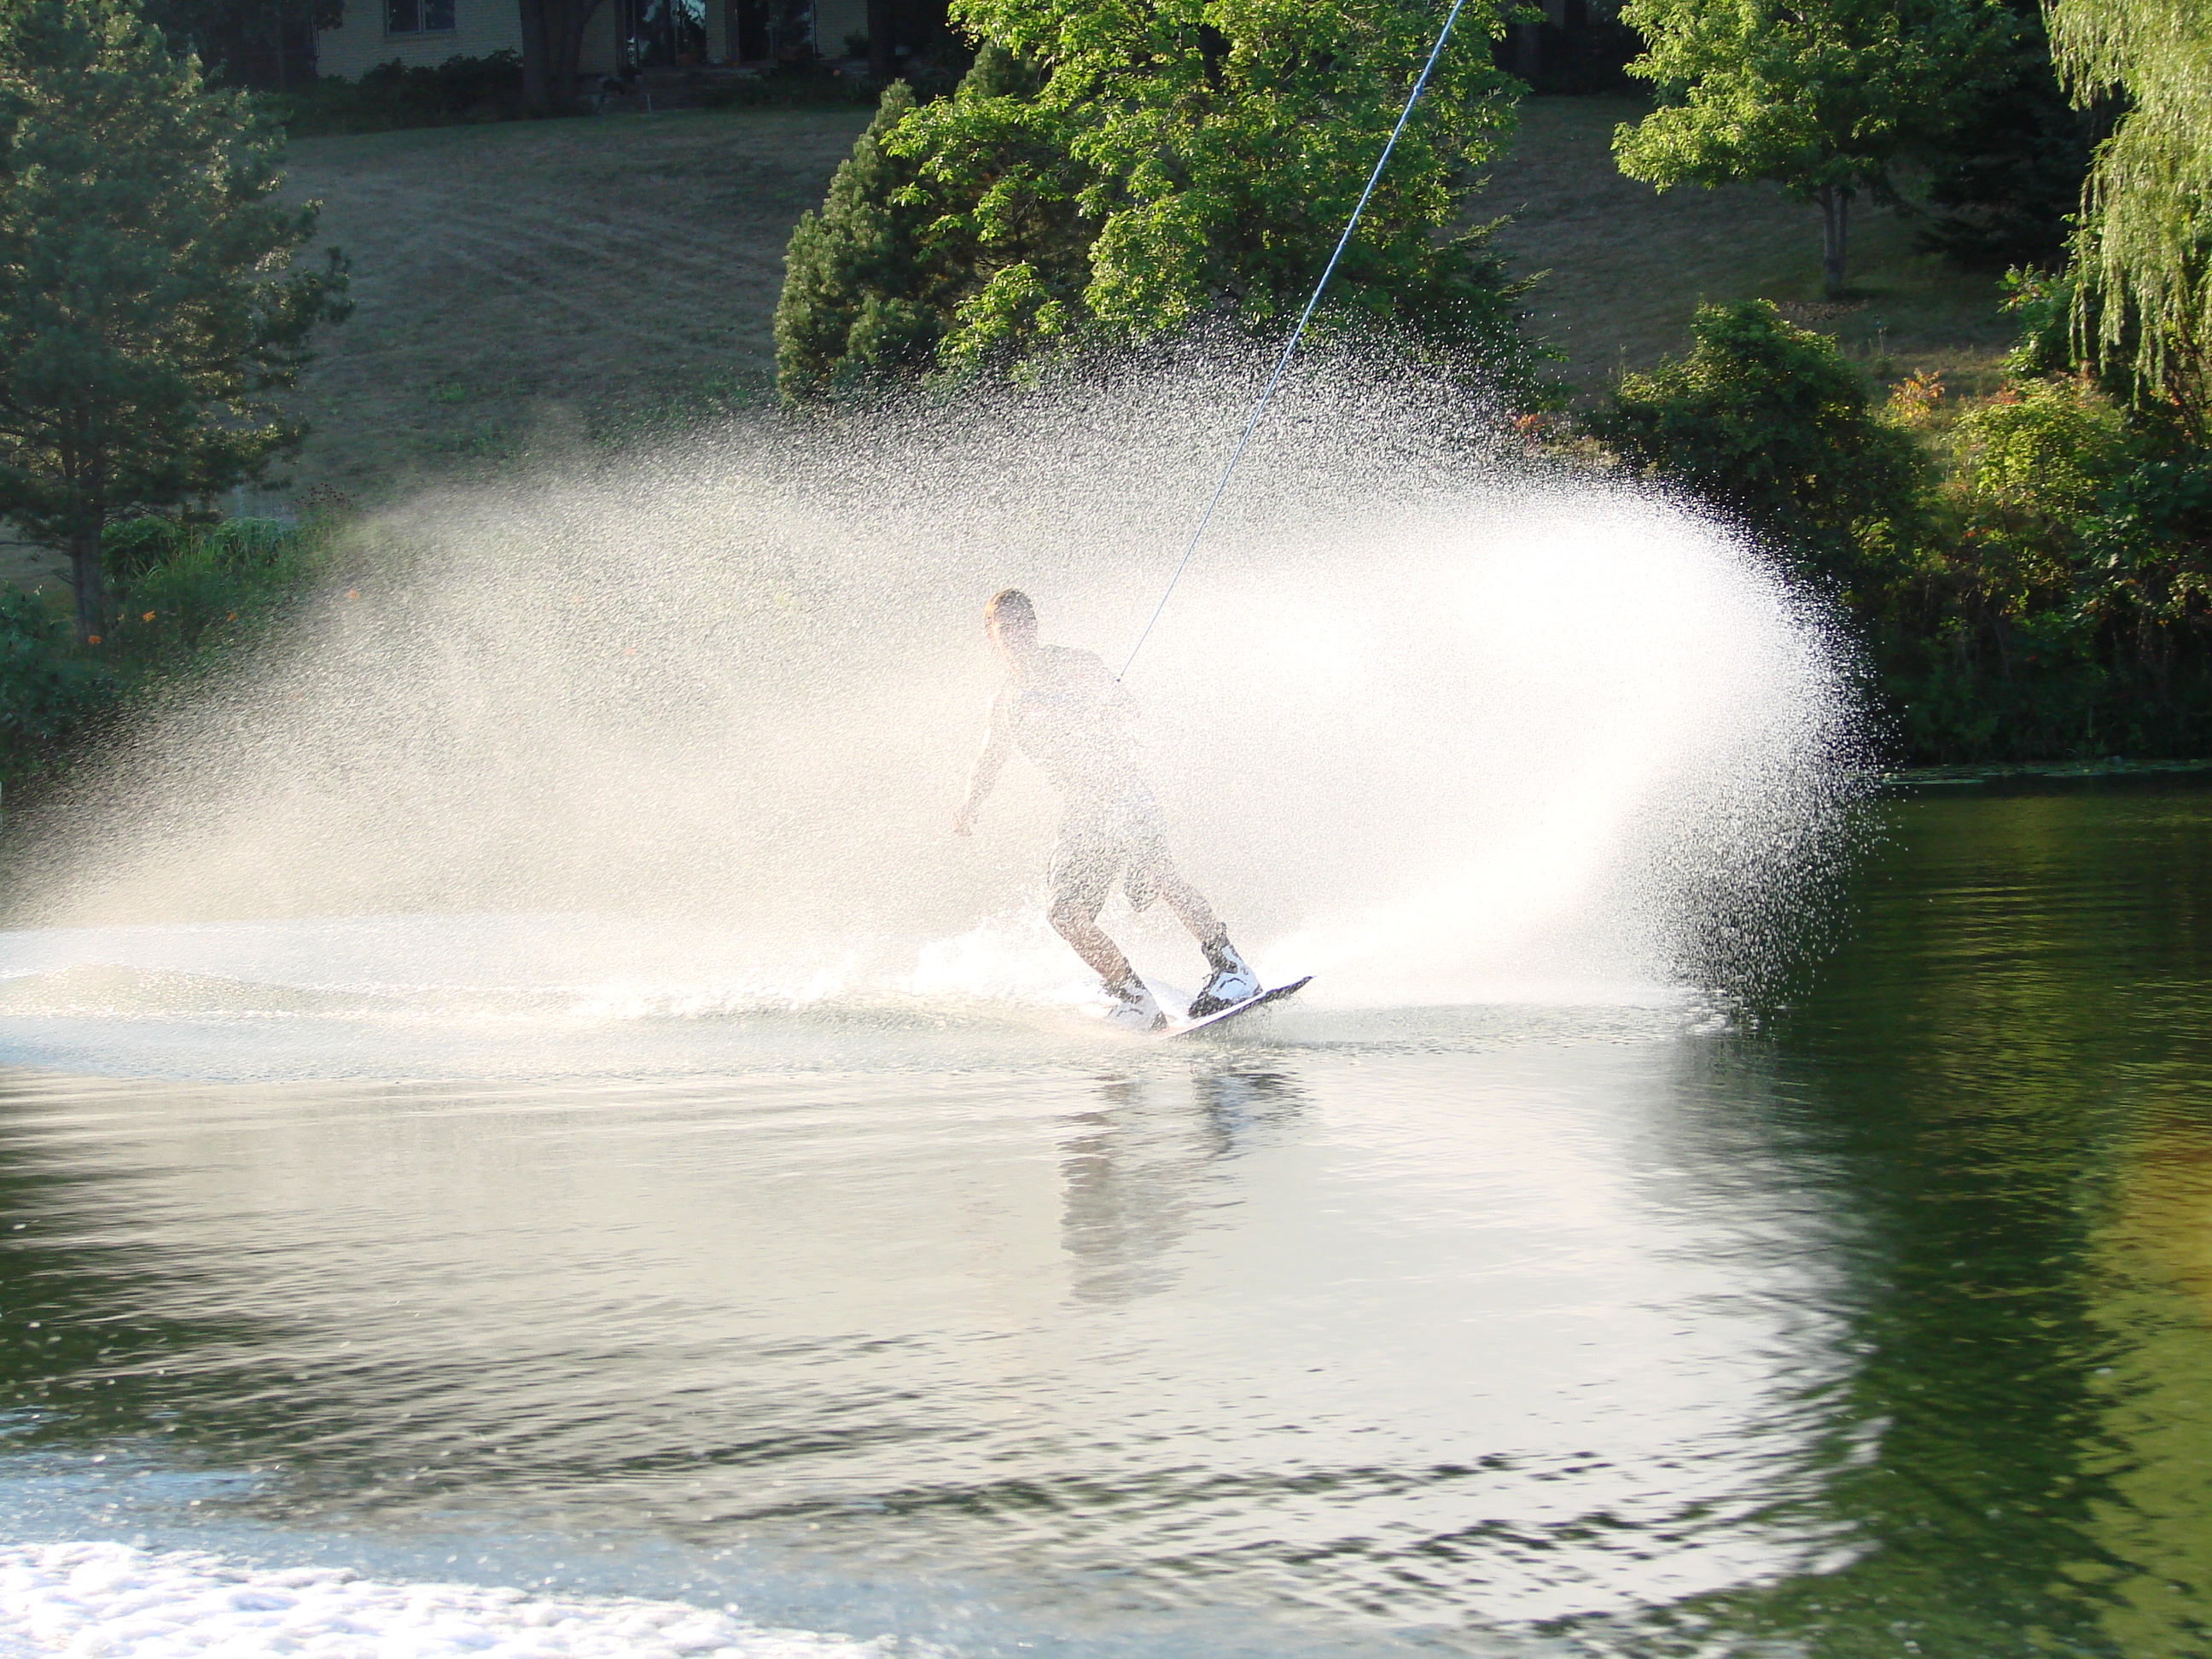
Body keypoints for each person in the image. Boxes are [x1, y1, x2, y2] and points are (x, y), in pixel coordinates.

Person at [952, 589, 1260, 1032]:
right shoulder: (1006, 700)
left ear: (1035, 627)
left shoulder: (1075, 664)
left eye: (1024, 624)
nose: (1017, 633)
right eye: (1007, 627)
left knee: (1157, 873)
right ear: (992, 636)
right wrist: (969, 805)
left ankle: (1231, 969)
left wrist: (1096, 707)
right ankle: (1134, 997)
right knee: (1065, 914)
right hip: (1081, 812)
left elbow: (1127, 707)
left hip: (1122, 792)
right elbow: (989, 758)